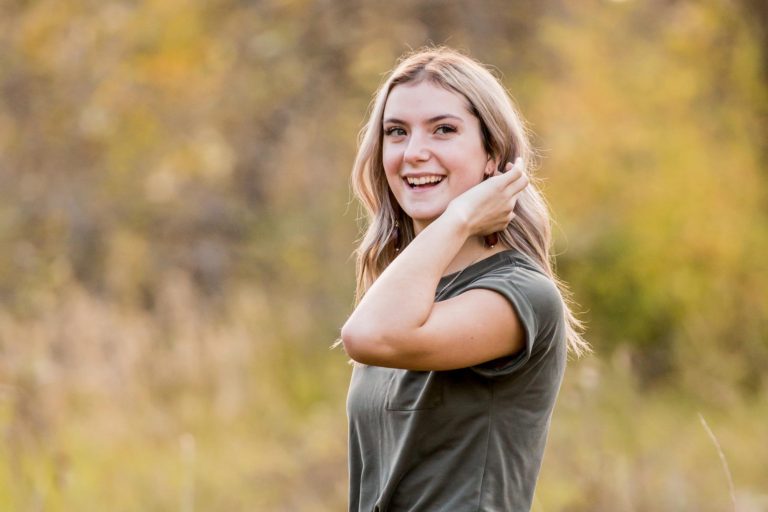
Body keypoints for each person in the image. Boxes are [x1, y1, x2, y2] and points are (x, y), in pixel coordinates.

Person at [340, 46, 590, 512]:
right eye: (396, 132)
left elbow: (366, 335)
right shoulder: (406, 295)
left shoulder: (520, 294)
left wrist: (459, 218)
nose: (414, 152)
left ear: (493, 154)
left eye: (444, 130)